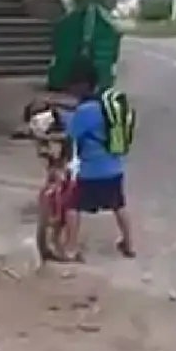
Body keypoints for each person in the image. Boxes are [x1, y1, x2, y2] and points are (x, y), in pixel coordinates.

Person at [61, 58, 135, 262]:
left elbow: (71, 136)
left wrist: (65, 159)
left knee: (72, 206)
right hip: (114, 168)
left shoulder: (84, 111)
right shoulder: (106, 105)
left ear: (81, 85)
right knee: (118, 205)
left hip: (90, 172)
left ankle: (71, 249)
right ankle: (129, 244)